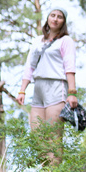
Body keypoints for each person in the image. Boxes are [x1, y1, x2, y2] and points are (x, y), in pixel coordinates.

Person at [16, 9, 78, 151]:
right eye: (53, 15)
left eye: (60, 17)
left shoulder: (65, 41)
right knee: (38, 138)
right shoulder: (37, 41)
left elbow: (70, 66)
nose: (55, 19)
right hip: (38, 88)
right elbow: (29, 66)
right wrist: (22, 90)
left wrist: (72, 92)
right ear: (48, 18)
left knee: (53, 137)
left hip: (56, 86)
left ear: (64, 22)